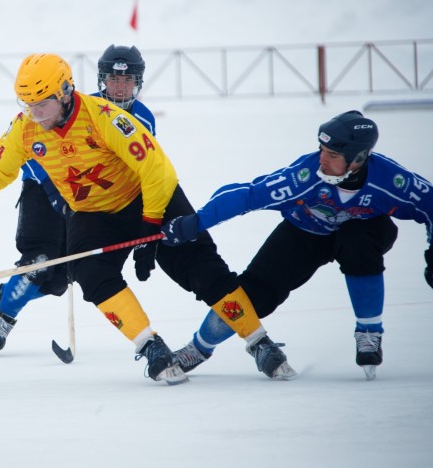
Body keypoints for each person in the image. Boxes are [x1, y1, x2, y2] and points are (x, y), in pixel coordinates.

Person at [0, 53, 296, 384]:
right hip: (94, 212)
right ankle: (150, 346)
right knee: (89, 273)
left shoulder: (103, 117)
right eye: (28, 105)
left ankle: (259, 341)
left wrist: (149, 225)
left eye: (43, 103)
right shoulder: (26, 129)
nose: (36, 114)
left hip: (149, 198)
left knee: (200, 268)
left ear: (66, 92)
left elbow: (155, 168)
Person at [161, 110, 433, 380]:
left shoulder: (391, 181)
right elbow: (247, 195)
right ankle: (198, 348)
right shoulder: (304, 176)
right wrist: (194, 223)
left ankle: (369, 333)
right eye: (321, 150)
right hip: (305, 233)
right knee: (254, 293)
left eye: (333, 155)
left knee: (358, 245)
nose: (322, 160)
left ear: (358, 159)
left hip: (363, 231)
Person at [0, 45, 156, 357]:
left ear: (138, 82)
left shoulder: (144, 119)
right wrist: (54, 190)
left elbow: (141, 168)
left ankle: (0, 297)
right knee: (41, 260)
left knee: (64, 275)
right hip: (43, 189)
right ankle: (3, 316)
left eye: (127, 81)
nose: (120, 87)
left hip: (90, 199)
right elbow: (33, 150)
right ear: (102, 81)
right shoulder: (83, 108)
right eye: (113, 80)